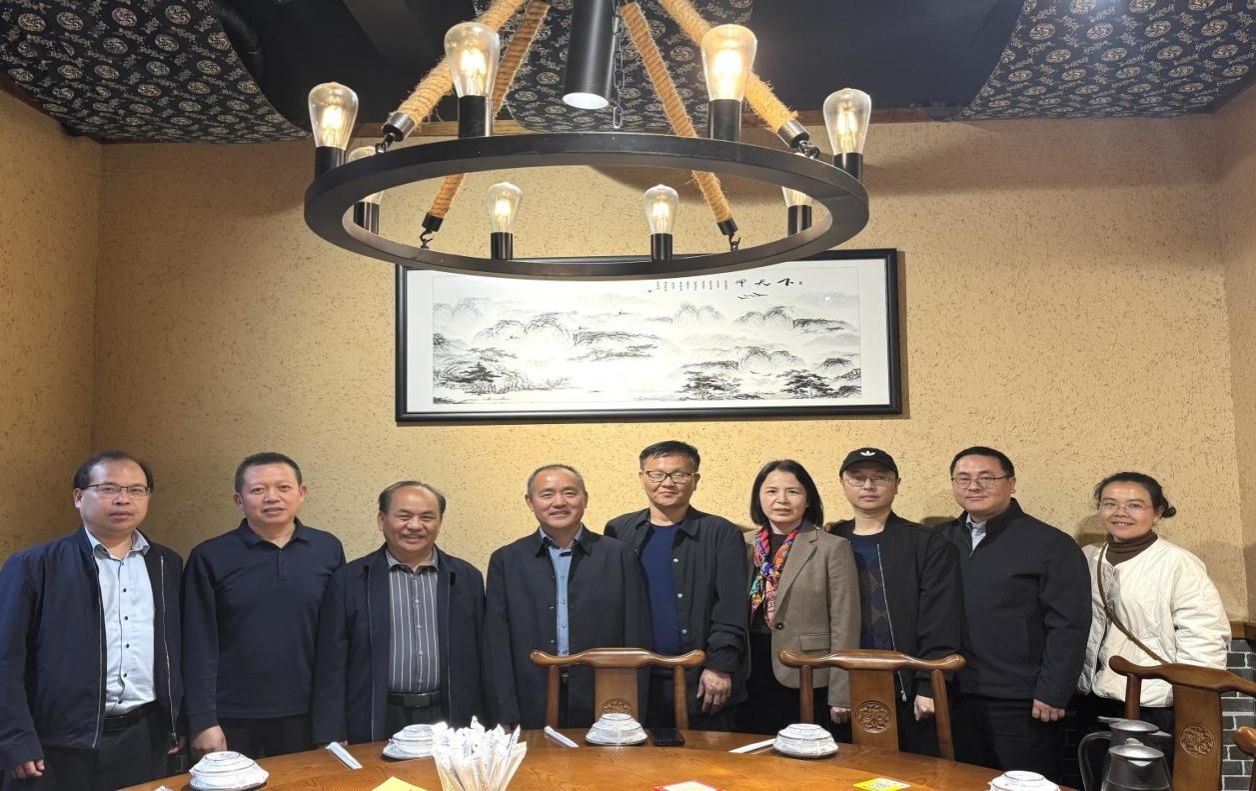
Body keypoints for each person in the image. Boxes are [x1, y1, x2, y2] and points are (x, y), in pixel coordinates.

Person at [0, 450, 183, 791]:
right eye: (108, 488)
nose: (123, 499)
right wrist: (14, 737)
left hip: (143, 738)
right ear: (78, 497)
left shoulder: (165, 564)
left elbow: (175, 650)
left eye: (136, 490)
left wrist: (176, 721)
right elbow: (6, 659)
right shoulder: (33, 565)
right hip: (57, 742)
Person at [936, 446, 1090, 783]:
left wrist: (1053, 691)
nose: (974, 486)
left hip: (1021, 699)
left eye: (986, 477)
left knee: (1024, 784)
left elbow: (1069, 625)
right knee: (962, 783)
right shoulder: (939, 540)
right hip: (953, 693)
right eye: (963, 478)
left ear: (1012, 483)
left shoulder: (1050, 544)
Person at [183, 452, 345, 759]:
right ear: (239, 499)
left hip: (307, 714)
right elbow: (197, 644)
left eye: (283, 487)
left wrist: (333, 721)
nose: (272, 497)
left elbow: (336, 641)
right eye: (258, 489)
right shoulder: (209, 556)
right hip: (230, 716)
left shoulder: (328, 549)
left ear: (301, 493)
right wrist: (202, 721)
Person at [313, 481, 484, 744]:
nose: (415, 525)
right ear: (381, 521)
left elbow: (484, 655)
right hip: (376, 716)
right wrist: (331, 733)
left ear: (439, 522)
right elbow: (331, 663)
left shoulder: (466, 578)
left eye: (427, 517)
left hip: (448, 715)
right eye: (404, 516)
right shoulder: (350, 580)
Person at [484, 464, 650, 729]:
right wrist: (505, 710)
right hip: (531, 692)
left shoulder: (618, 555)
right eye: (547, 494)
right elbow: (497, 641)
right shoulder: (507, 560)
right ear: (530, 502)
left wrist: (634, 702)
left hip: (604, 693)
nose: (559, 502)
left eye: (570, 493)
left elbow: (636, 633)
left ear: (585, 498)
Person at [827, 447, 963, 755]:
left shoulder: (925, 543)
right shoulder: (830, 540)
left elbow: (941, 619)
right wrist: (835, 687)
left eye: (880, 478)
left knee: (911, 771)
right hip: (842, 682)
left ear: (897, 484)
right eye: (858, 478)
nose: (868, 486)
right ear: (843, 483)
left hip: (907, 686)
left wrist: (929, 685)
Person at [605, 440, 749, 731]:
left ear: (695, 480)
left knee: (704, 756)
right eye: (657, 474)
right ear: (642, 478)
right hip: (637, 675)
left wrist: (720, 666)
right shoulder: (618, 530)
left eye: (679, 474)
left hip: (700, 676)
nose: (667, 483)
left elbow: (731, 606)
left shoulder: (720, 532)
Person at [1076, 472, 1229, 735]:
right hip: (1094, 694)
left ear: (1158, 513)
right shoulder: (1087, 557)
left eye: (1135, 505)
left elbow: (1205, 633)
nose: (1120, 512)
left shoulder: (1178, 563)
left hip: (1154, 698)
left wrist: (1191, 697)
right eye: (1110, 503)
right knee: (1093, 759)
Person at [735, 459, 859, 736]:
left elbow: (846, 622)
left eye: (792, 491)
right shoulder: (742, 543)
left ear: (808, 499)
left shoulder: (832, 547)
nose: (782, 499)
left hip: (807, 670)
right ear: (759, 498)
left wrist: (841, 691)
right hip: (749, 667)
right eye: (771, 491)